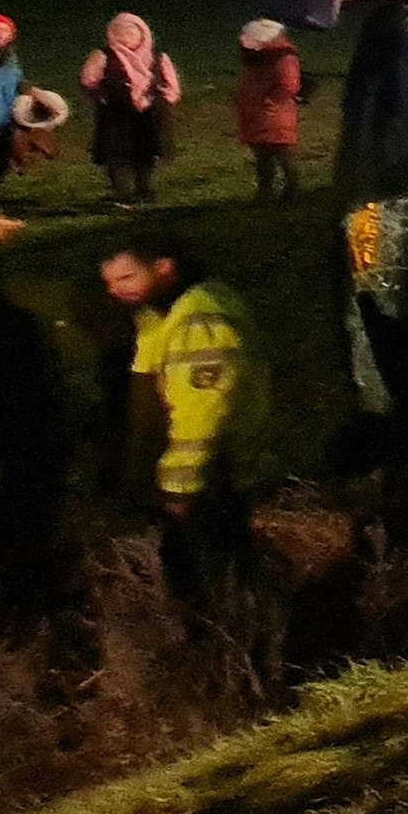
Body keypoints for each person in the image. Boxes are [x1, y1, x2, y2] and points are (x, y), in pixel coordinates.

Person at [100, 237, 268, 625]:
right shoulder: (158, 317)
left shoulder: (198, 319)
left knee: (212, 586)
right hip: (191, 481)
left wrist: (180, 487)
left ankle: (233, 662)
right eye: (109, 282)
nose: (116, 289)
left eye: (127, 276)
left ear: (164, 268)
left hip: (208, 480)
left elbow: (201, 412)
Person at [0, 214, 96, 669]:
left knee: (32, 560)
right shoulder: (19, 323)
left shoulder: (12, 329)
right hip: (31, 462)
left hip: (24, 466)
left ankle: (51, 658)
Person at [81, 13, 180, 207]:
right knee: (117, 154)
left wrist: (165, 98)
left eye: (133, 33)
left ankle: (144, 188)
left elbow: (171, 84)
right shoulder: (104, 56)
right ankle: (122, 193)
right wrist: (103, 97)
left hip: (150, 114)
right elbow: (89, 79)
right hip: (116, 115)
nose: (128, 38)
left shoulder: (157, 56)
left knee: (146, 150)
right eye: (122, 33)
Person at [235, 19, 302, 203]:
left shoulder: (283, 58)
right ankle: (266, 191)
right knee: (263, 157)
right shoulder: (255, 58)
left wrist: (269, 100)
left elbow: (288, 85)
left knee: (282, 153)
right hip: (257, 112)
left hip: (273, 113)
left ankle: (292, 188)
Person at [0, 13, 32, 202]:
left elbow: (14, 81)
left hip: (5, 121)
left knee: (0, 164)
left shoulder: (11, 59)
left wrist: (25, 88)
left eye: (3, 30)